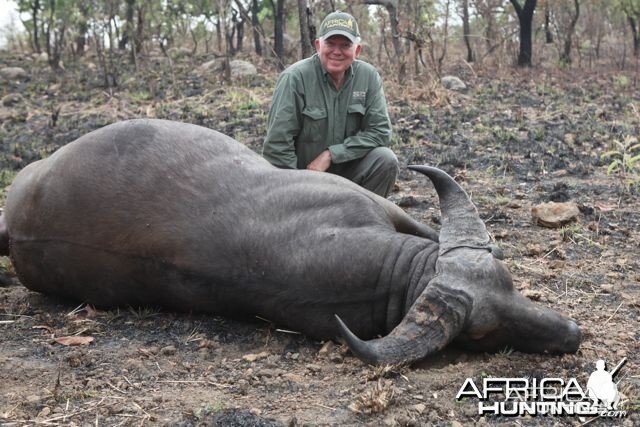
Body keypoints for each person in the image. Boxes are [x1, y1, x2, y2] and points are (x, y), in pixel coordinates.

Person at [262, 11, 398, 197]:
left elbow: (380, 132)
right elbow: (277, 147)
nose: (337, 51)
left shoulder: (368, 76)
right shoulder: (294, 78)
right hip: (304, 179)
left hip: (348, 176)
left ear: (357, 50)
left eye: (345, 45)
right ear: (318, 45)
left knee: (385, 159)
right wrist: (298, 189)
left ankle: (363, 223)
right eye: (330, 43)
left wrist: (331, 155)